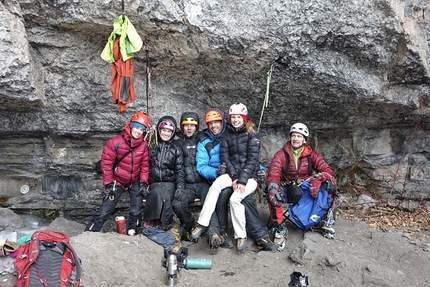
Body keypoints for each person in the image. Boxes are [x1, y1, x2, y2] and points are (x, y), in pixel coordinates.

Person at [191, 103, 275, 253]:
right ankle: (208, 226)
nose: (214, 126)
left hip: (244, 175)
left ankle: (254, 235)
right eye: (210, 123)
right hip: (227, 174)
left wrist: (250, 176)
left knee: (240, 198)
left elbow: (252, 159)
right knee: (220, 190)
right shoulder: (211, 138)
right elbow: (220, 159)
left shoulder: (248, 135)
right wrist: (228, 175)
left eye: (217, 122)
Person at [266, 123, 336, 251]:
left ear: (304, 140)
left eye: (299, 136)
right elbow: (274, 173)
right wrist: (273, 187)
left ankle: (322, 220)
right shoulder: (281, 154)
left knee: (329, 186)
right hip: (287, 189)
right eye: (293, 136)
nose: (296, 139)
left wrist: (319, 178)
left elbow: (327, 170)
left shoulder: (311, 155)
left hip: (304, 189)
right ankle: (279, 227)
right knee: (273, 193)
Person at [85, 111, 150, 235]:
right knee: (105, 210)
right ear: (130, 126)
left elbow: (145, 166)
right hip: (118, 180)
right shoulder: (115, 143)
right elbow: (106, 164)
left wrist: (143, 183)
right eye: (136, 127)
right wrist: (108, 184)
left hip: (134, 179)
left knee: (136, 209)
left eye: (142, 129)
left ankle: (133, 231)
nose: (138, 131)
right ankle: (89, 233)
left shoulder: (144, 146)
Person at [142, 116, 185, 230]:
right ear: (159, 130)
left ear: (173, 133)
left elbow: (179, 170)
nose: (166, 133)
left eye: (169, 131)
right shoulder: (152, 145)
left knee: (165, 194)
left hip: (169, 182)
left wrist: (180, 187)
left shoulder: (176, 149)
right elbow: (144, 165)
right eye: (164, 130)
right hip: (155, 182)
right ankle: (151, 222)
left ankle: (162, 222)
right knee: (156, 192)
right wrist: (143, 183)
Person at [171, 112, 210, 237]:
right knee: (177, 204)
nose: (189, 128)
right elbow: (176, 168)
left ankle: (212, 231)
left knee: (210, 202)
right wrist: (180, 187)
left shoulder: (203, 140)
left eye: (192, 125)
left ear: (196, 126)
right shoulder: (176, 144)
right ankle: (191, 225)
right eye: (186, 125)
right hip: (187, 185)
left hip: (204, 183)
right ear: (182, 127)